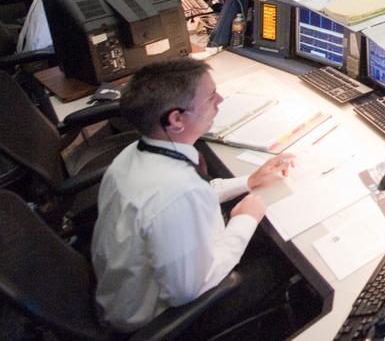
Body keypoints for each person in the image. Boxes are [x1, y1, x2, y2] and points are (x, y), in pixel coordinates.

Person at [92, 59, 295, 333]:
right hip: (156, 319)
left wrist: (249, 181)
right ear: (176, 119)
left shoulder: (134, 155)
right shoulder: (175, 193)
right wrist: (243, 220)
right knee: (282, 261)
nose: (220, 100)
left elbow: (192, 194)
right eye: (211, 97)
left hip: (123, 289)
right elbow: (187, 291)